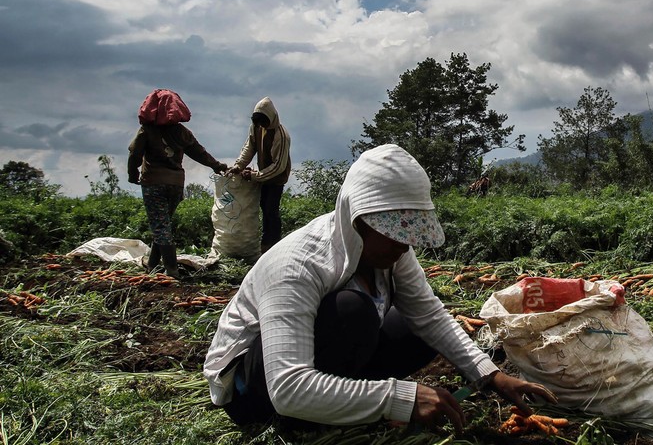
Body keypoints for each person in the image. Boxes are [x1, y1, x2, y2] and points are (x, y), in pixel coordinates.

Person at [203, 144, 556, 431]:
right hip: (255, 393)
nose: (404, 246)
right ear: (356, 220)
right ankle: (311, 420)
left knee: (415, 329)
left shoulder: (390, 251)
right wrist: (398, 399)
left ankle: (342, 400)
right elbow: (287, 389)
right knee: (351, 312)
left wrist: (490, 375)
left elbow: (431, 316)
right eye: (395, 234)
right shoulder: (296, 265)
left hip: (320, 365)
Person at [127, 89, 228, 278]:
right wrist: (217, 165)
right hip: (175, 185)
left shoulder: (147, 131)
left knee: (160, 226)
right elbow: (199, 152)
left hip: (154, 183)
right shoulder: (181, 132)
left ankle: (172, 270)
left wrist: (133, 175)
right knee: (163, 224)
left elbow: (134, 154)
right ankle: (152, 265)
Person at [227, 97, 292, 254]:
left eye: (263, 122)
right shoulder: (256, 128)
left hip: (276, 178)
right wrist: (238, 166)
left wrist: (255, 176)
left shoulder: (281, 136)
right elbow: (249, 147)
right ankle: (265, 243)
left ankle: (273, 244)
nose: (261, 125)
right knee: (263, 207)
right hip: (263, 175)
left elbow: (278, 166)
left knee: (271, 209)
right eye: (258, 123)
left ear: (270, 118)